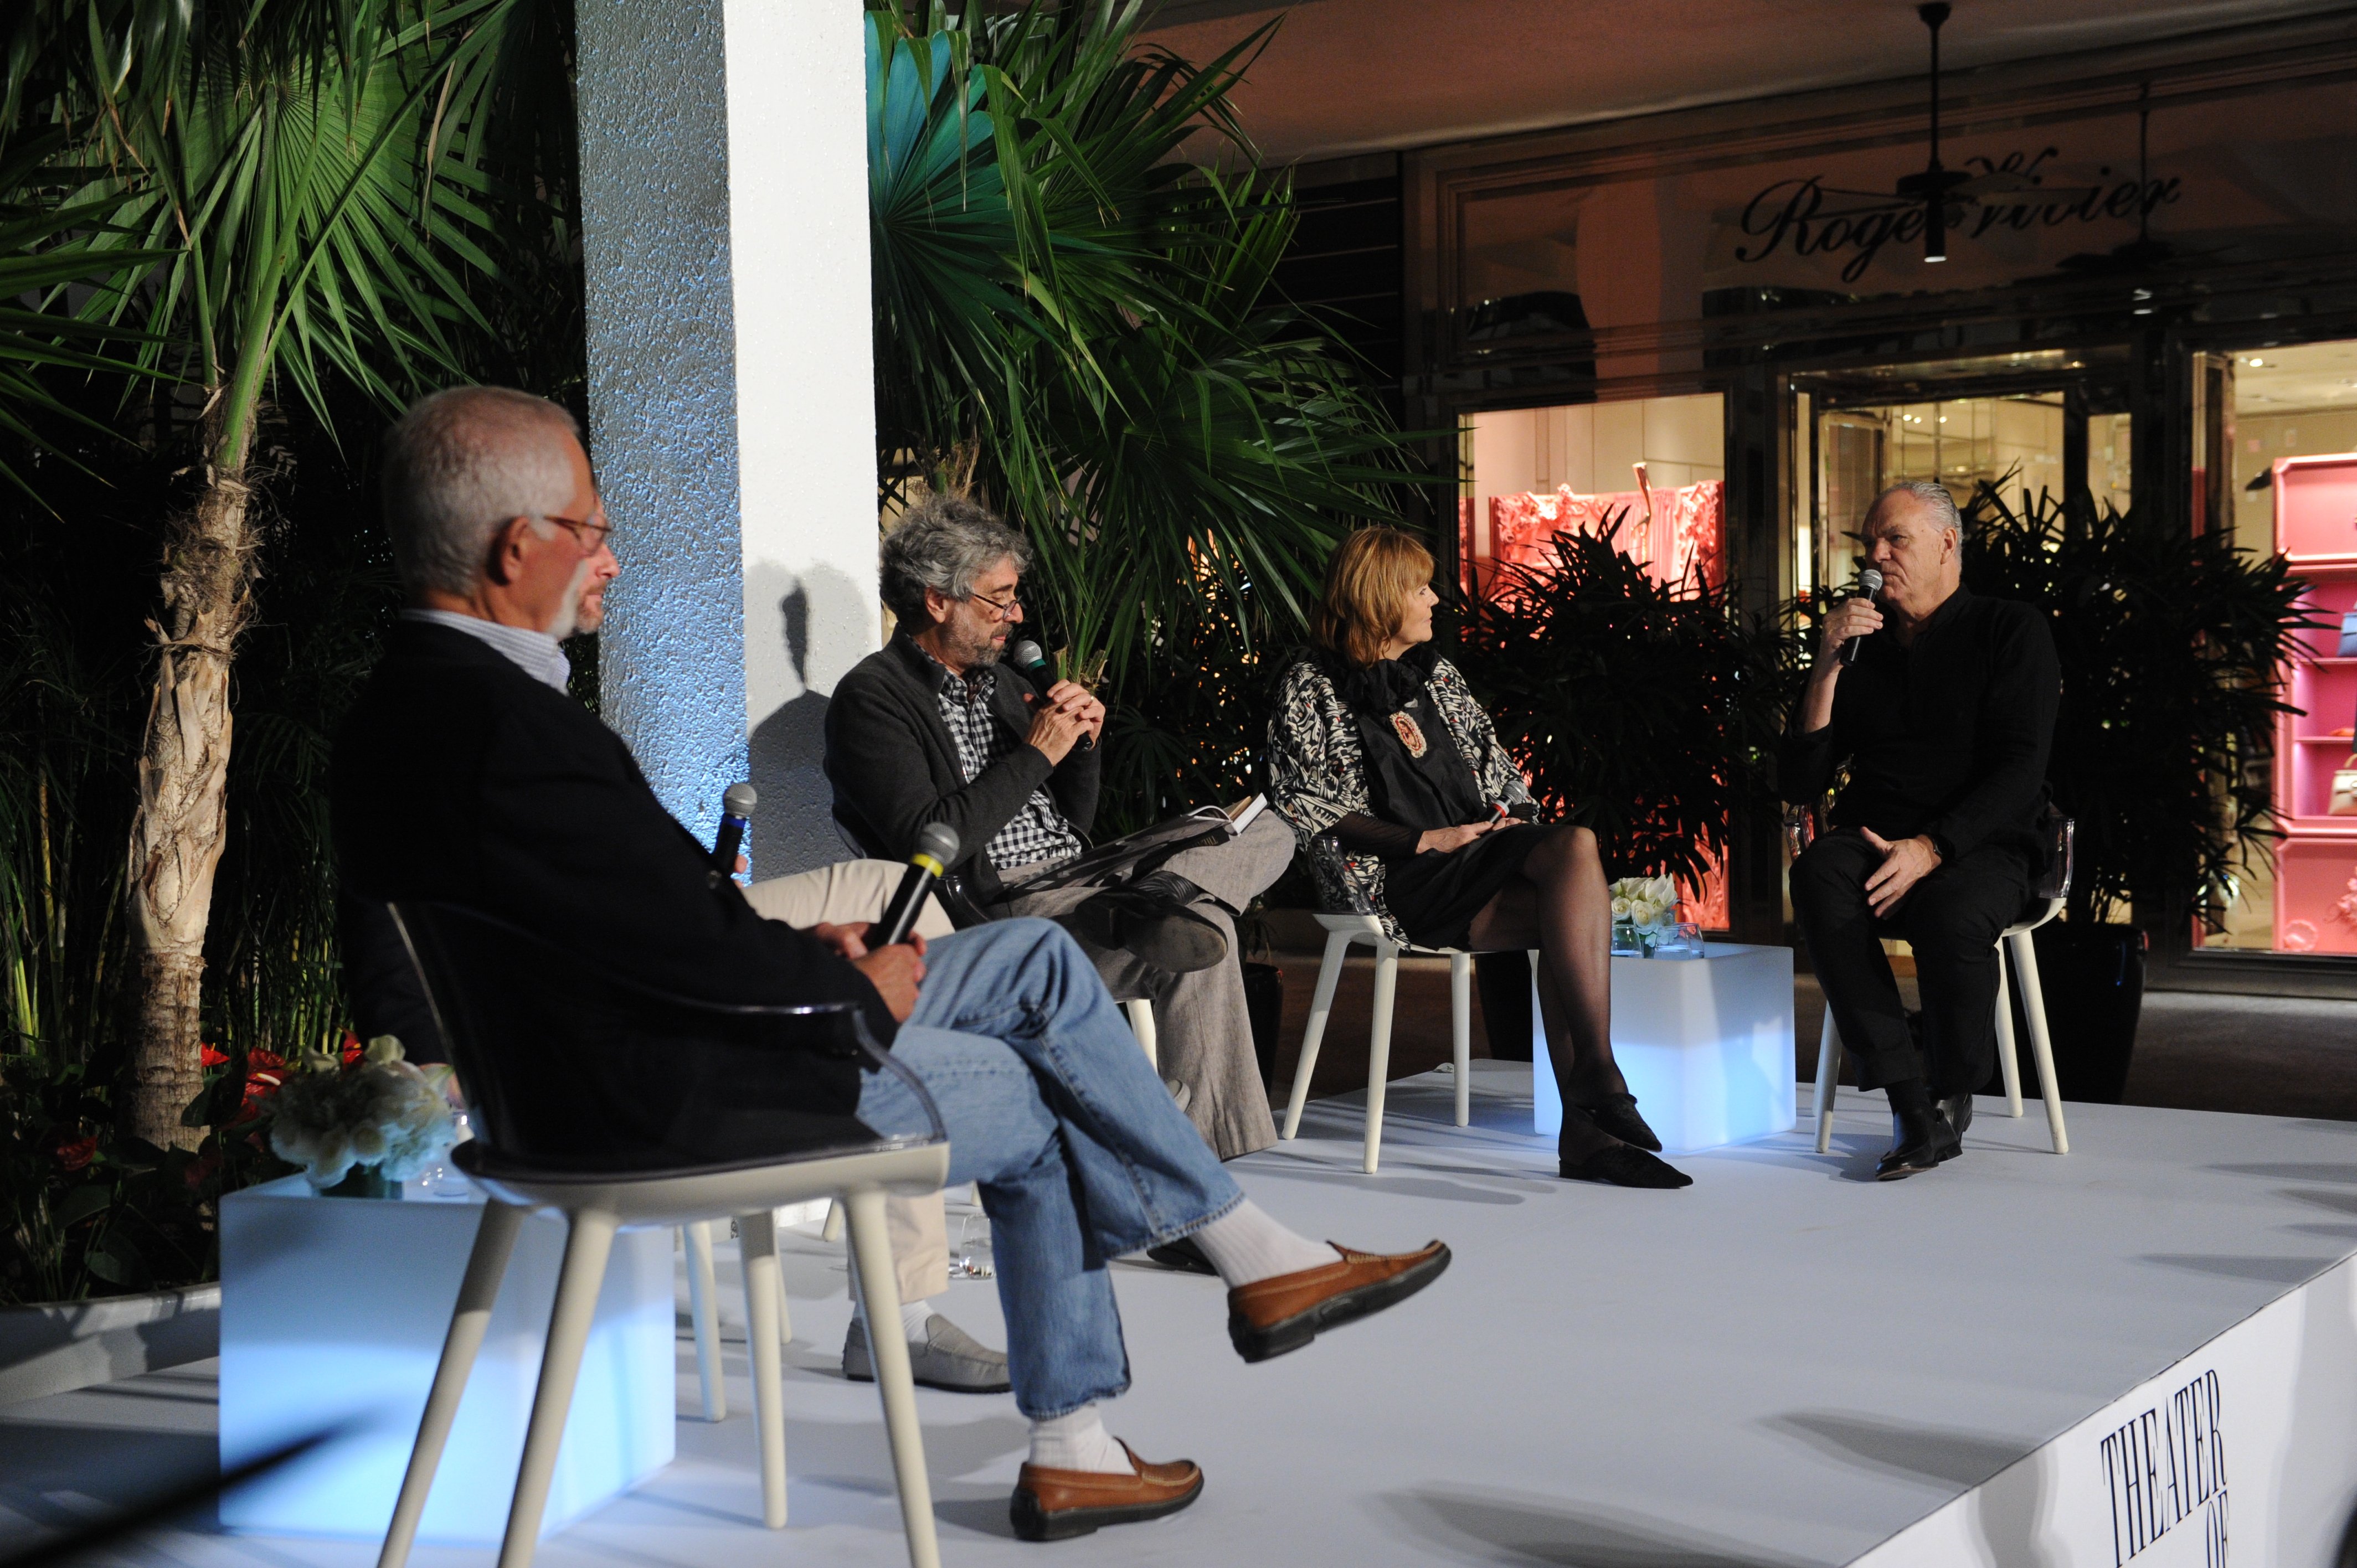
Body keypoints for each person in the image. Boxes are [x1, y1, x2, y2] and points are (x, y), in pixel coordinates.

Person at [332, 386, 1450, 1541]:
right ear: (519, 548)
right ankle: (1151, 1359)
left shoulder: (391, 720)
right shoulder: (524, 731)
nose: (611, 559)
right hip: (670, 1098)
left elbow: (629, 927)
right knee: (1042, 1085)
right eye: (595, 531)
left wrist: (794, 948)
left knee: (1034, 968)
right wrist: (838, 987)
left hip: (591, 1086)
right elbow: (670, 943)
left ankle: (1214, 1293)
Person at [824, 495, 1297, 1162]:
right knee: (1207, 932)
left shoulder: (1001, 685)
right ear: (937, 601)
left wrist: (1083, 747)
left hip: (1084, 879)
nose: (1015, 616)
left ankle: (1157, 897)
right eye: (999, 599)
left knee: (1272, 823)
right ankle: (1213, 1164)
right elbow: (927, 839)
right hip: (1004, 908)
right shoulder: (873, 698)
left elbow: (1070, 823)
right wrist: (1039, 752)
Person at [1264, 527, 1690, 1190]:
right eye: (1419, 587)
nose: (1433, 599)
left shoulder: (1435, 674)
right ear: (1381, 597)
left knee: (1571, 857)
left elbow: (1503, 775)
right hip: (1396, 881)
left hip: (1475, 857)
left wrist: (1503, 822)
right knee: (1573, 883)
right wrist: (1421, 840)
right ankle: (1593, 1104)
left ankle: (1593, 1099)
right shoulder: (1309, 685)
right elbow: (1300, 801)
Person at [1782, 480, 2061, 1180]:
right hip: (1876, 835)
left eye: (1893, 540)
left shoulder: (2008, 628)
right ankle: (1912, 1108)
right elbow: (1798, 782)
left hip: (1985, 839)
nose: (1875, 557)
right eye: (1869, 543)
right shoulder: (1862, 647)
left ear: (1946, 545)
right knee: (1816, 874)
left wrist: (1932, 848)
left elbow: (2020, 769)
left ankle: (1950, 1083)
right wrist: (1824, 666)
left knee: (1949, 909)